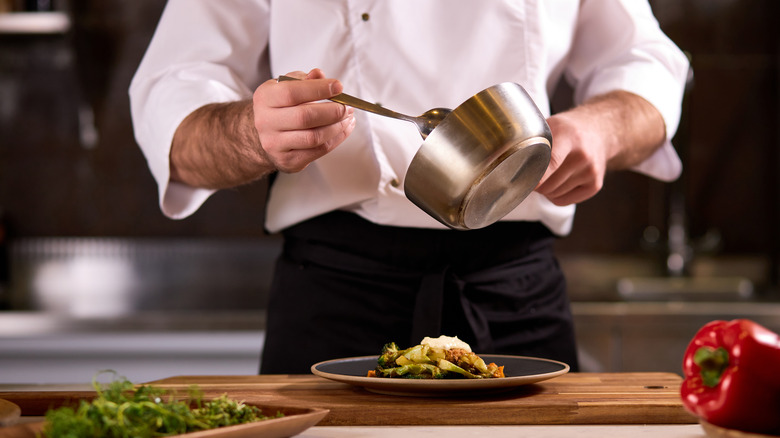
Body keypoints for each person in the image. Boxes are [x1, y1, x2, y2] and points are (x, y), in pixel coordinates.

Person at [129, 1, 689, 374]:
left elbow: (646, 62)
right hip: (337, 296)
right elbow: (171, 100)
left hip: (514, 296)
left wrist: (601, 128)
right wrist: (252, 134)